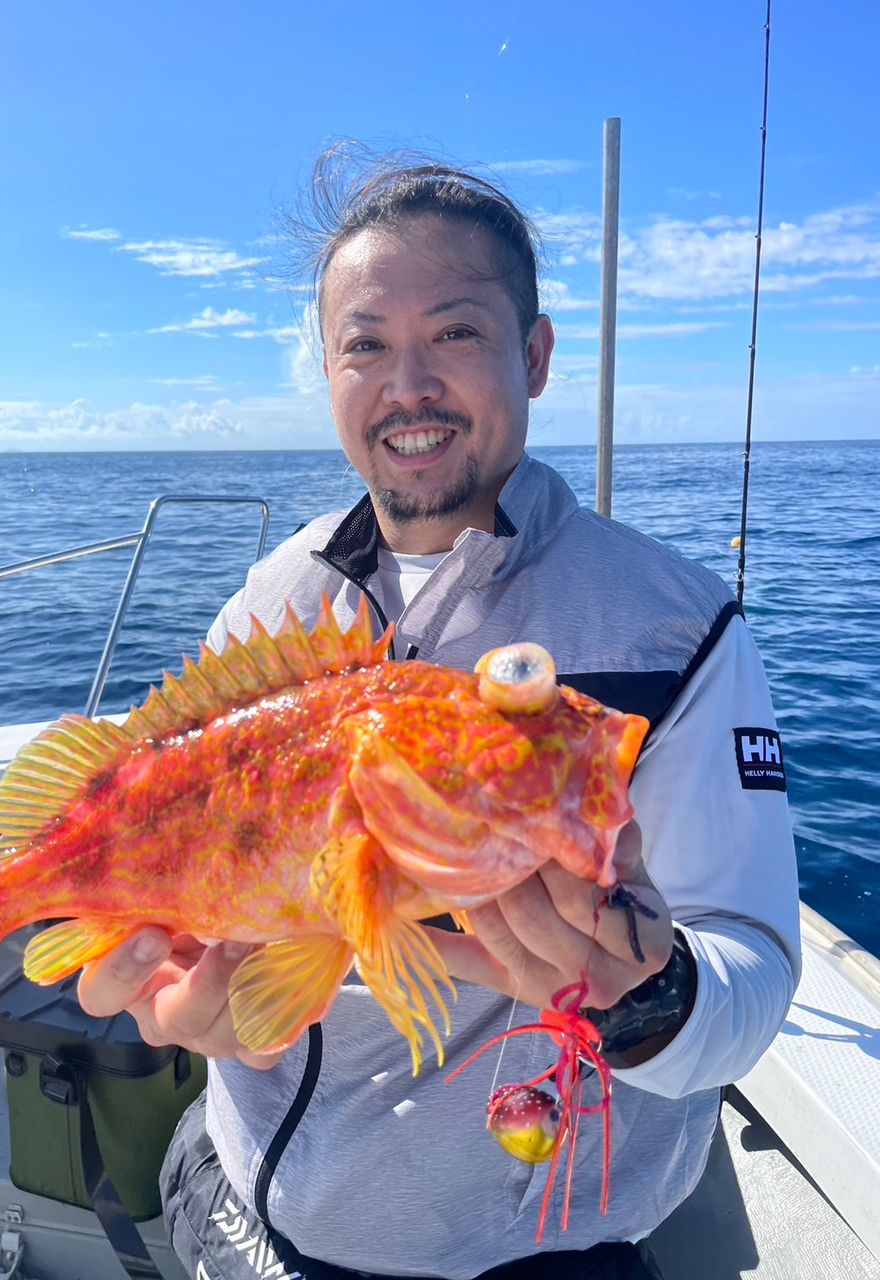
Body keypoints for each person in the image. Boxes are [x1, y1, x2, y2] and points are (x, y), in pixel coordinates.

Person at [78, 149, 800, 1280]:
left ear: (537, 353)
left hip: (524, 1247)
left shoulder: (675, 632)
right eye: (365, 344)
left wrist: (647, 996)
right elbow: (187, 884)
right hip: (232, 1184)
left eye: (455, 333)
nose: (406, 384)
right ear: (327, 371)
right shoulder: (271, 603)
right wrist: (172, 999)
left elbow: (752, 974)